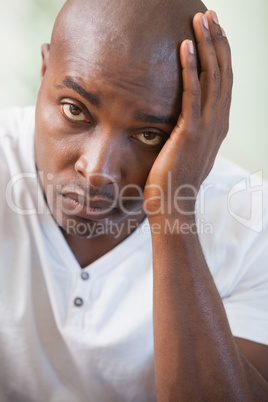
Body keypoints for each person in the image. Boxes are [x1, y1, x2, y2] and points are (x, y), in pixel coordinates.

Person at [0, 0, 267, 400]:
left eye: (148, 136)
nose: (98, 169)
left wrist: (173, 209)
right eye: (75, 110)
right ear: (44, 69)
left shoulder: (251, 225)